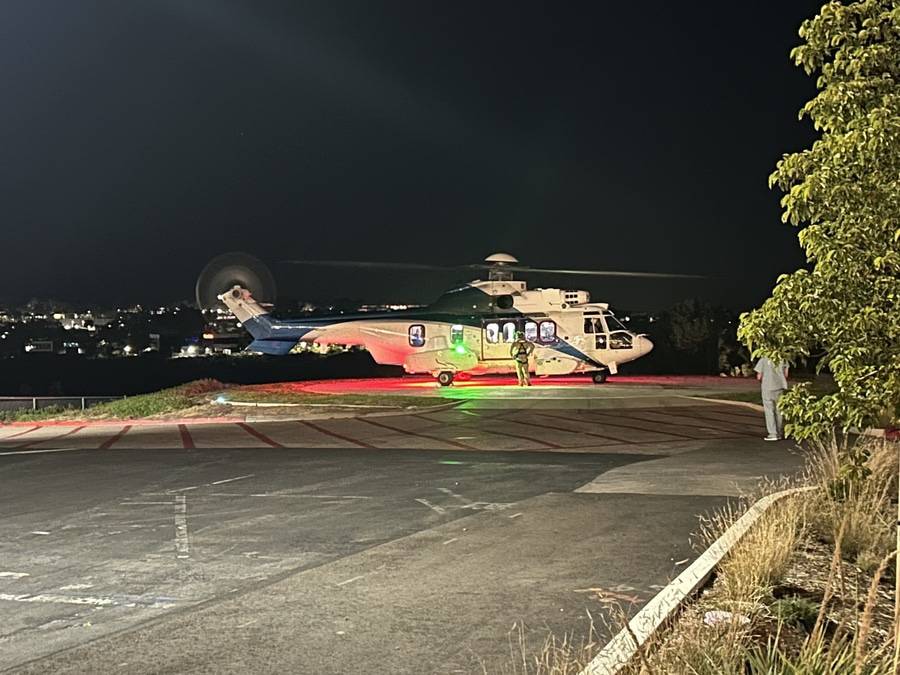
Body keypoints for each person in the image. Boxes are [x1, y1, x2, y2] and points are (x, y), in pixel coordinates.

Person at [754, 356, 789, 441]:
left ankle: (773, 433)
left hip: (767, 386)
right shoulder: (783, 358)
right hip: (780, 386)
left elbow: (759, 376)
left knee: (769, 410)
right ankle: (779, 432)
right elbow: (786, 374)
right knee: (779, 410)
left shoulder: (763, 359)